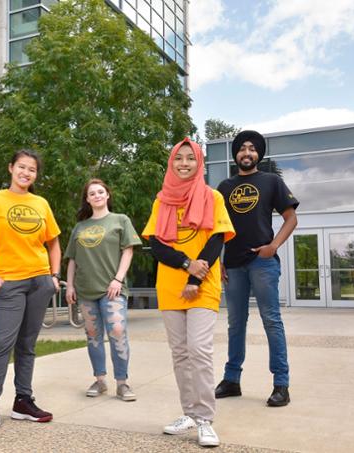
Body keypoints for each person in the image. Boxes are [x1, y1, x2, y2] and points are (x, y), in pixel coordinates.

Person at [142, 138, 235, 448]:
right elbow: (156, 244)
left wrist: (196, 277)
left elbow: (216, 240)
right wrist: (185, 264)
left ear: (200, 163)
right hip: (170, 285)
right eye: (178, 158)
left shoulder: (213, 197)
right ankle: (190, 414)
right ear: (172, 163)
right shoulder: (162, 201)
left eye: (190, 158)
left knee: (199, 350)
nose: (184, 163)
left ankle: (206, 419)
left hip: (204, 285)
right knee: (180, 354)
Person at [0, 149, 61, 435]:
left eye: (31, 169)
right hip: (9, 282)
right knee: (2, 344)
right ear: (11, 168)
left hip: (40, 281)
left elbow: (54, 243)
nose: (26, 173)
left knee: (27, 345)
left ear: (35, 174)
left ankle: (23, 400)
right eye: (21, 167)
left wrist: (53, 277)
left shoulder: (41, 203)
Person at [215, 130, 298, 407]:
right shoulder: (224, 187)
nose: (247, 153)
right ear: (236, 155)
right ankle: (231, 380)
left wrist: (273, 246)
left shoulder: (272, 181)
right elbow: (217, 231)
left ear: (258, 155)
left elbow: (290, 218)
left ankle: (281, 384)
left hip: (262, 262)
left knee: (271, 321)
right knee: (235, 324)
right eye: (242, 149)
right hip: (233, 266)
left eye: (252, 149)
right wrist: (219, 261)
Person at [64, 179, 141, 401]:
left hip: (112, 289)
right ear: (87, 199)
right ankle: (99, 381)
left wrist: (118, 279)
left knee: (117, 331)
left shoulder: (120, 220)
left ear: (107, 195)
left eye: (100, 192)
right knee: (93, 336)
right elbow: (72, 260)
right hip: (86, 290)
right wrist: (69, 285)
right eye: (92, 193)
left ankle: (123, 383)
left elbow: (128, 251)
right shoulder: (80, 227)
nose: (97, 195)